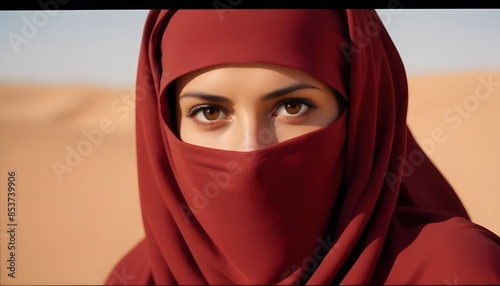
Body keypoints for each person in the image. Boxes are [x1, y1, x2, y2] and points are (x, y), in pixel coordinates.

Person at [105, 9, 500, 285]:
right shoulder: (139, 276)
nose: (248, 150)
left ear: (360, 116)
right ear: (164, 126)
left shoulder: (459, 268)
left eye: (292, 107)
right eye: (209, 112)